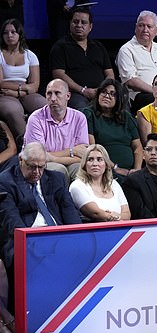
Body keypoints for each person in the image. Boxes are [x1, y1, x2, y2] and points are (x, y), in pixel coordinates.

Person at [0, 142, 82, 271]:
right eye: (32, 167)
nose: (37, 172)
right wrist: (32, 243)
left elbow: (70, 212)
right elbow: (12, 221)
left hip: (57, 236)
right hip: (26, 239)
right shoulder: (5, 182)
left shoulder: (56, 179)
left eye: (41, 167)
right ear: (21, 160)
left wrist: (77, 239)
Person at [23, 78, 90, 184]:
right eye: (49, 94)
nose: (53, 98)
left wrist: (53, 158)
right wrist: (72, 151)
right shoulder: (36, 118)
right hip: (39, 165)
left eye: (57, 93)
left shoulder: (79, 117)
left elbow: (82, 156)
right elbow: (39, 157)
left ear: (67, 96)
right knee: (59, 171)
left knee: (82, 170)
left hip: (66, 162)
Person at [49, 6, 115, 110]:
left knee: (121, 104)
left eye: (83, 22)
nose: (79, 25)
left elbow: (110, 74)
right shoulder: (60, 47)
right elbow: (59, 75)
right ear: (70, 24)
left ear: (90, 27)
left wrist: (102, 91)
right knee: (83, 108)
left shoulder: (98, 47)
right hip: (75, 93)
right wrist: (83, 90)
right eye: (75, 22)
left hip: (100, 92)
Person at [83, 78, 142, 180]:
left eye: (112, 94)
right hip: (104, 170)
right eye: (103, 92)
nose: (107, 96)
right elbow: (93, 148)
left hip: (129, 172)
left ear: (118, 98)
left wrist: (137, 170)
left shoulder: (126, 117)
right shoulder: (89, 115)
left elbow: (138, 147)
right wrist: (115, 167)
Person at [0, 18, 47, 139]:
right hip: (4, 94)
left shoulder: (30, 55)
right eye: (5, 33)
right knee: (14, 111)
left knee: (46, 106)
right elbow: (0, 83)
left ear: (20, 34)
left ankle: (51, 141)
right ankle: (28, 146)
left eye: (13, 32)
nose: (9, 35)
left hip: (23, 92)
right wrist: (21, 89)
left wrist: (17, 91)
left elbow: (35, 85)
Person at [69, 144, 130, 222]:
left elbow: (127, 214)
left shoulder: (113, 184)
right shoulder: (77, 185)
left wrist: (113, 217)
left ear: (106, 164)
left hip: (120, 230)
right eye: (90, 159)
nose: (95, 164)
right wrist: (115, 216)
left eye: (99, 159)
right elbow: (95, 213)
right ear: (84, 164)